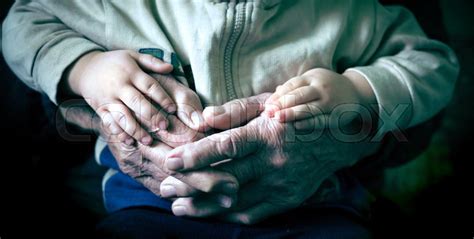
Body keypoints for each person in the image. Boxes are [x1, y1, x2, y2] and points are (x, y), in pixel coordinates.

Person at [2, 0, 459, 238]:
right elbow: (24, 21)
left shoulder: (347, 10)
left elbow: (431, 63)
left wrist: (359, 91)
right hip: (148, 208)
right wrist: (84, 69)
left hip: (314, 212)